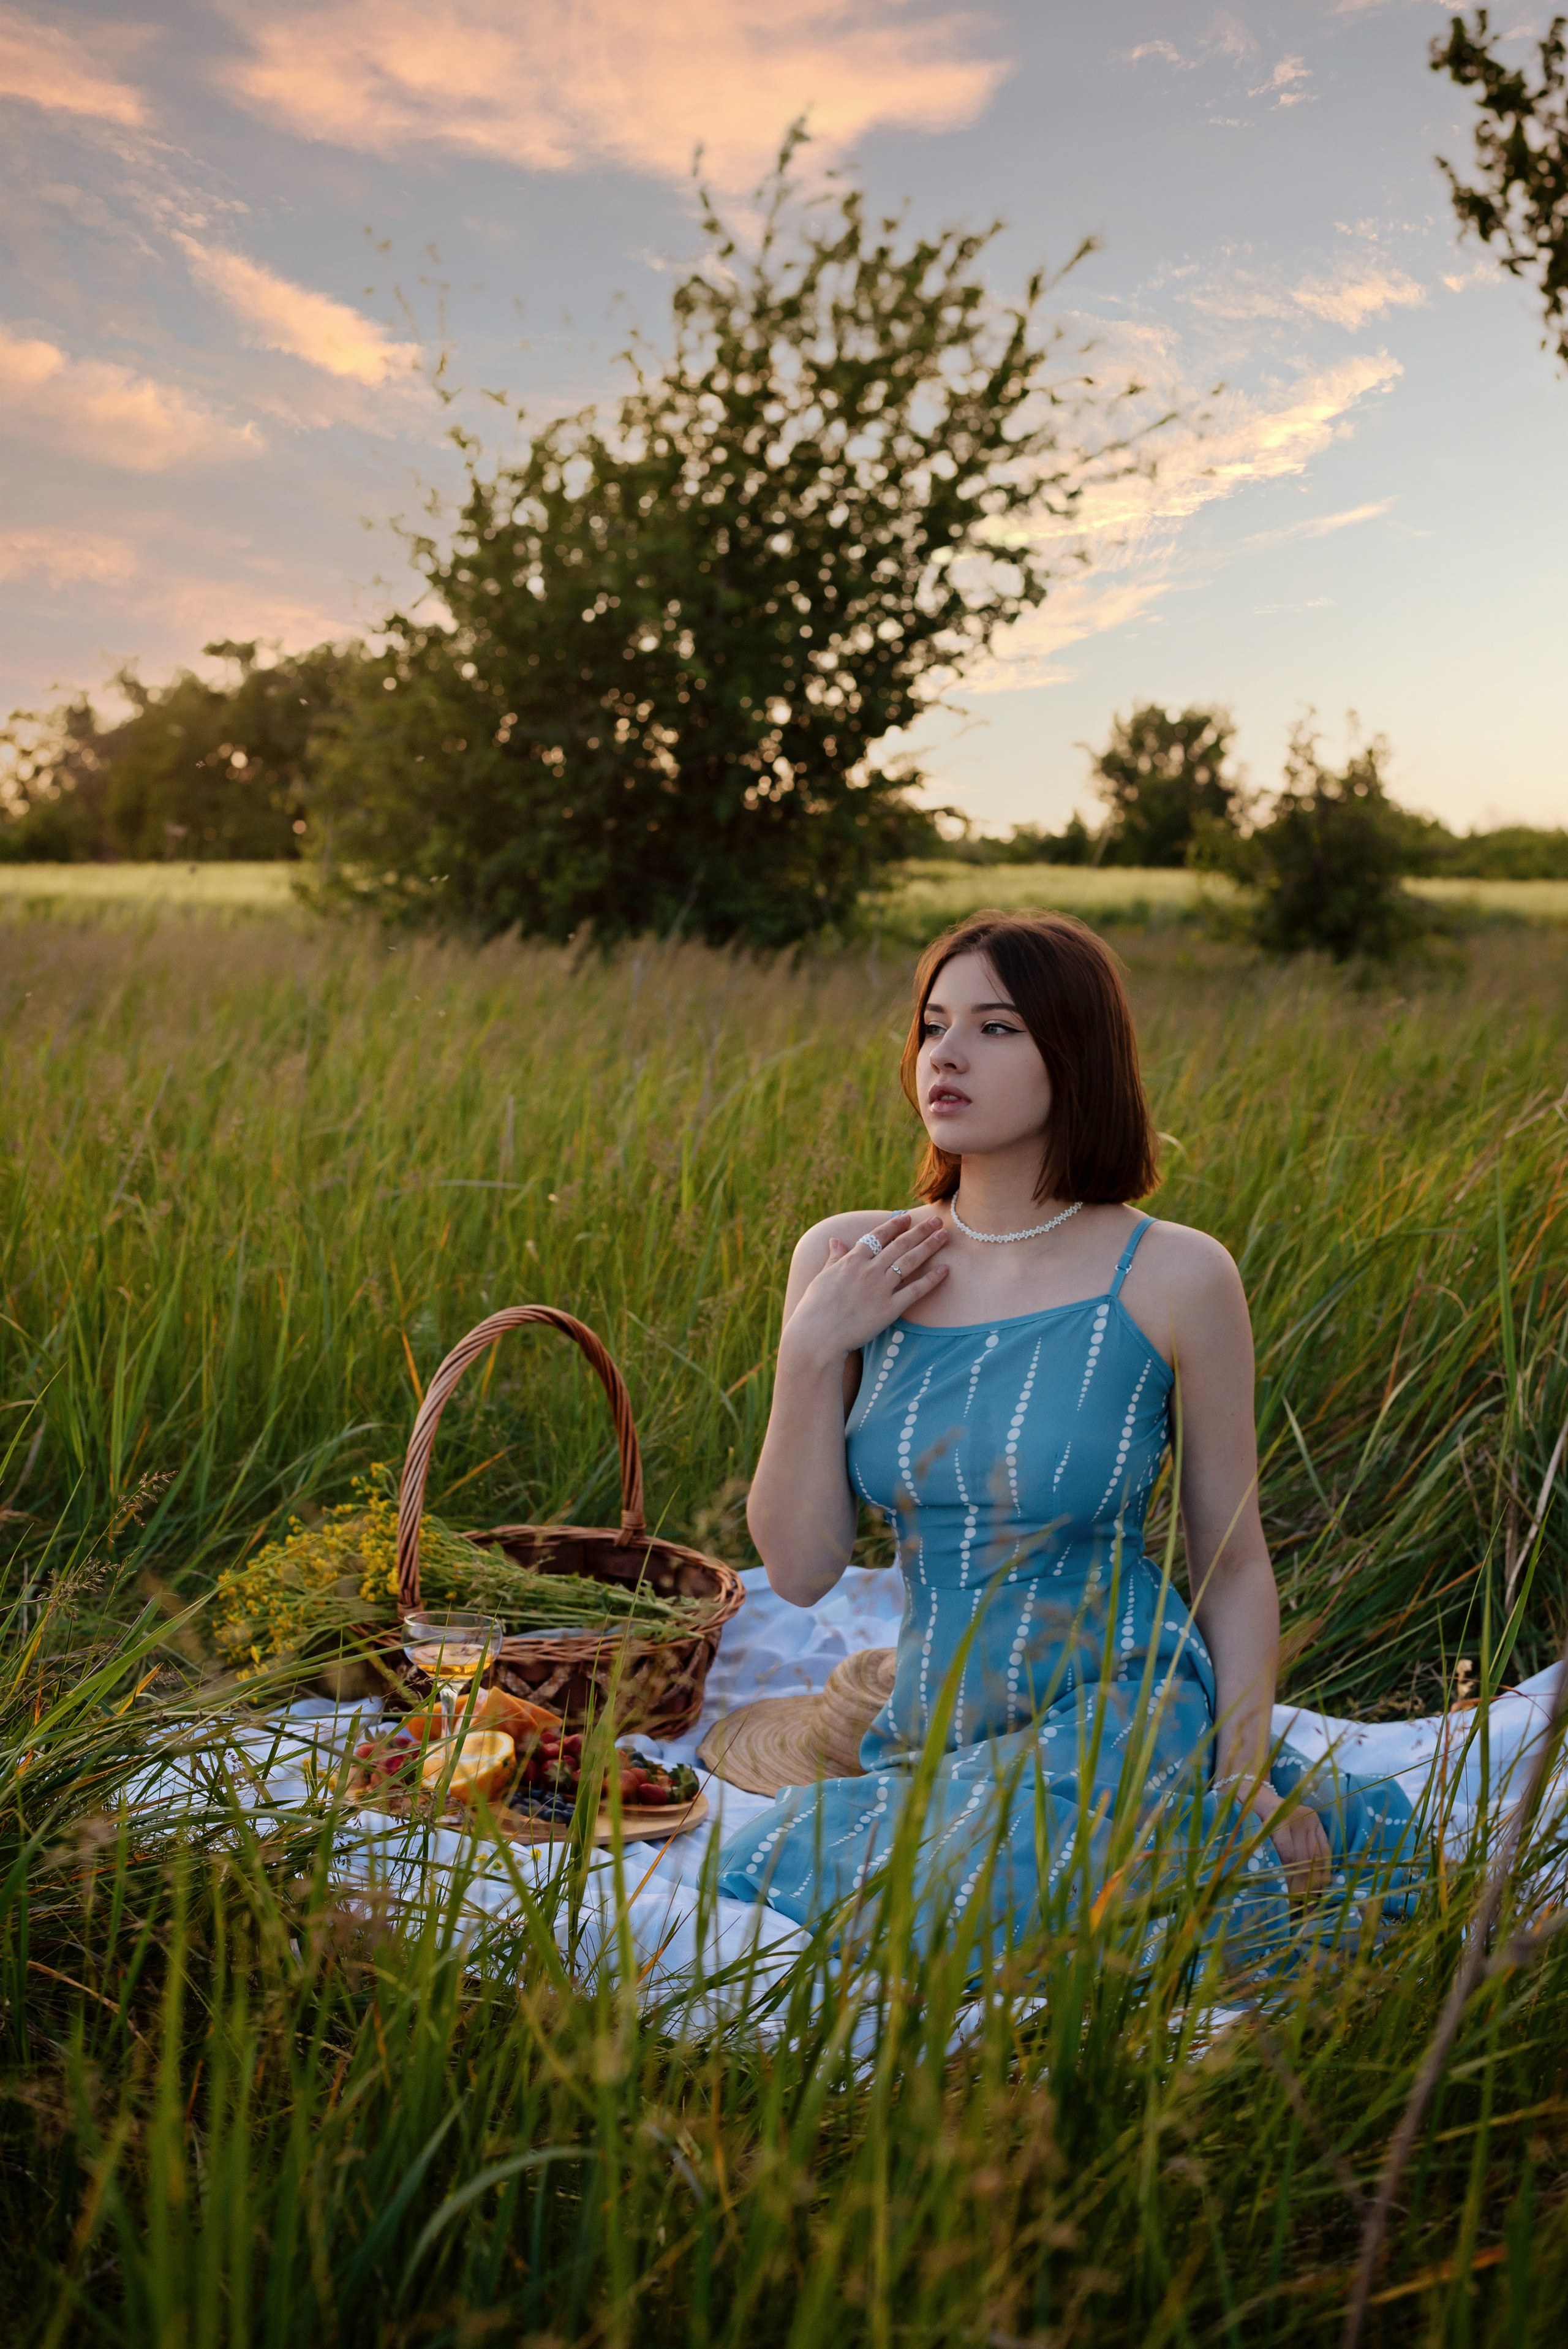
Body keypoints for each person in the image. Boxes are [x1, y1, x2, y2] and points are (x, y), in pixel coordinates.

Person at [717, 910, 1415, 1960]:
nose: (944, 1054)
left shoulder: (1177, 1272)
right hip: (937, 1725)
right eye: (933, 1023)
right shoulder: (852, 1259)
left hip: (1125, 1703)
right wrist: (812, 1349)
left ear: (1075, 1053)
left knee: (1024, 1890)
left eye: (996, 1027)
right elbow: (802, 1569)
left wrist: (1240, 1776)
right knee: (785, 1859)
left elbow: (1231, 1563)